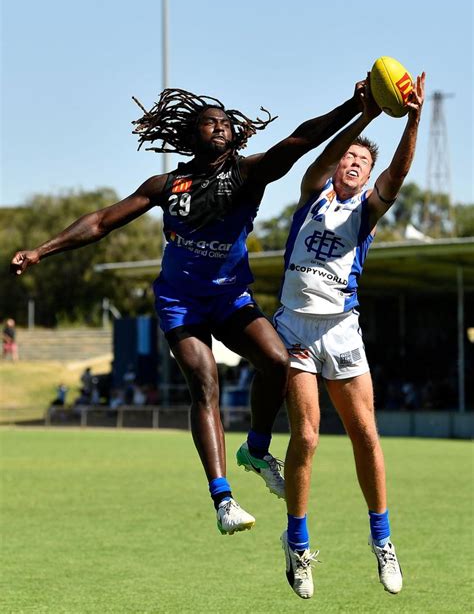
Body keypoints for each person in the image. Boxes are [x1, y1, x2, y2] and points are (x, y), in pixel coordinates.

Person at [10, 83, 366, 536]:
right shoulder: (165, 185)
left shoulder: (249, 175)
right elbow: (100, 222)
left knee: (277, 362)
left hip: (230, 297)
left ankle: (256, 449)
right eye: (210, 122)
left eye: (226, 123)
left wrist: (356, 106)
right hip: (181, 302)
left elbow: (301, 140)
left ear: (235, 135)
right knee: (206, 384)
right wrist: (41, 250)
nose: (220, 126)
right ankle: (223, 499)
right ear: (191, 133)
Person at [271, 73, 425, 598]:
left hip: (340, 328)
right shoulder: (312, 192)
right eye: (349, 158)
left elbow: (397, 177)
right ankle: (297, 544)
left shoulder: (368, 209)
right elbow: (319, 160)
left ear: (370, 174)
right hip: (294, 326)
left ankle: (382, 540)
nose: (354, 163)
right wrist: (365, 115)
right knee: (308, 437)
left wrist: (413, 119)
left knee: (365, 434)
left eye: (363, 162)